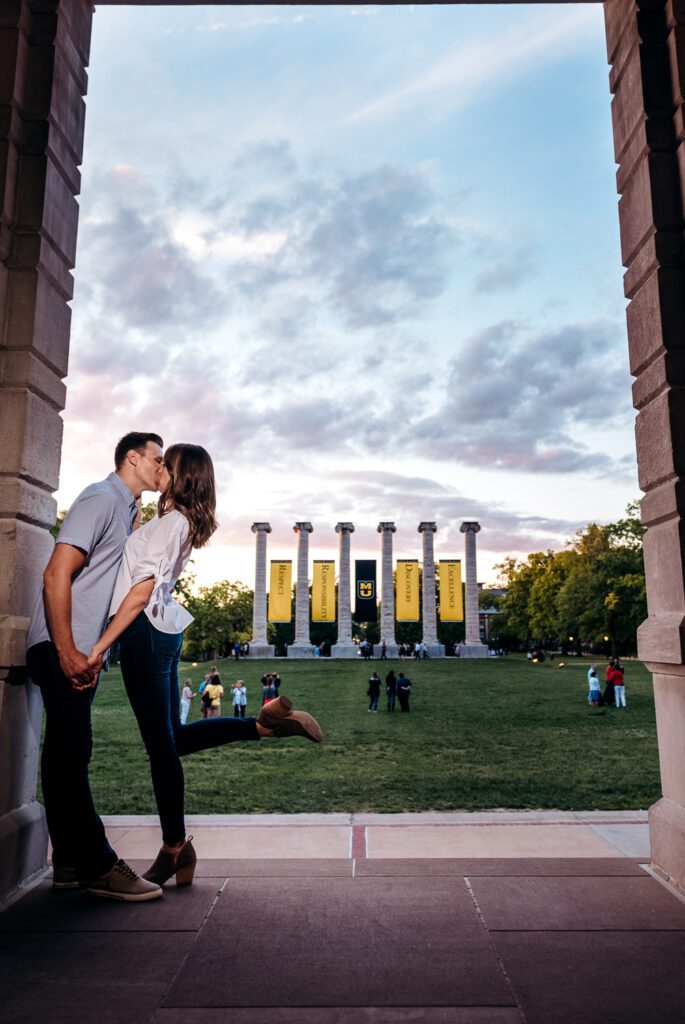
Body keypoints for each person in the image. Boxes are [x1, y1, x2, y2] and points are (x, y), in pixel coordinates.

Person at [87, 443, 323, 889]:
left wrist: (100, 646)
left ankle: (174, 847)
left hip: (143, 632)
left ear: (179, 475)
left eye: (165, 463)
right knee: (171, 740)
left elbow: (138, 591)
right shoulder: (177, 522)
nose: (159, 467)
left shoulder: (172, 524)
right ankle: (262, 727)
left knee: (162, 749)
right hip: (163, 632)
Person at [26, 431, 166, 901]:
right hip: (64, 645)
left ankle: (67, 862)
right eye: (156, 459)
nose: (161, 467)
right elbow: (55, 572)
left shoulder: (123, 509)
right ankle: (100, 864)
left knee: (63, 752)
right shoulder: (101, 497)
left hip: (81, 648)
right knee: (74, 750)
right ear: (132, 457)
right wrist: (67, 650)